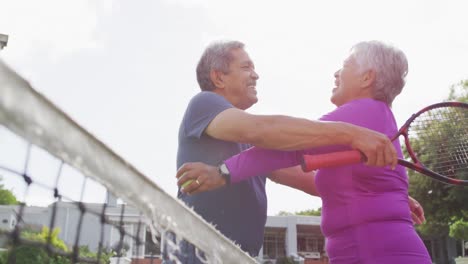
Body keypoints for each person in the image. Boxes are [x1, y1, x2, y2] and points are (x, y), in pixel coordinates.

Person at [177, 41, 431, 263]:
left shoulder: (364, 112)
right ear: (219, 77)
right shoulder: (206, 103)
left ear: (367, 77)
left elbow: (286, 155)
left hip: (370, 250)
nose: (256, 75)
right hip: (202, 250)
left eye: (345, 65)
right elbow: (266, 134)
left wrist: (383, 194)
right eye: (246, 67)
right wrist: (379, 192)